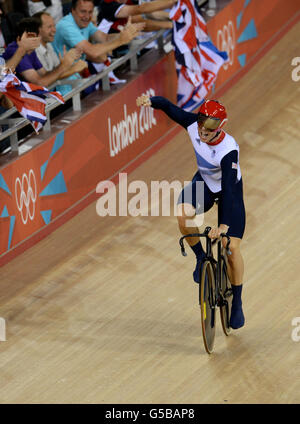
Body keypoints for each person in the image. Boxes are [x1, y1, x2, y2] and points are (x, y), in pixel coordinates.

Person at [136, 94, 246, 330]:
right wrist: (150, 101)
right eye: (202, 125)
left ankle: (236, 302)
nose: (204, 132)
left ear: (220, 127)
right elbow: (168, 106)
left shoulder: (228, 150)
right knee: (183, 214)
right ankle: (199, 257)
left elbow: (228, 188)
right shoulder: (194, 127)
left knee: (231, 248)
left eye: (210, 128)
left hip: (229, 191)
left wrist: (223, 226)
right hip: (205, 183)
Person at [52, 0, 144, 65]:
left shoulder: (85, 22)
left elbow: (105, 38)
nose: (87, 16)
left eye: (90, 12)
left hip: (77, 76)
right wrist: (120, 40)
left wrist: (125, 34)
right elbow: (93, 52)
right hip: (63, 85)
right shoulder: (66, 26)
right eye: (83, 12)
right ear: (73, 10)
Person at [2, 17, 83, 89]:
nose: (35, 40)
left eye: (35, 36)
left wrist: (67, 66)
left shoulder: (31, 50)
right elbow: (39, 83)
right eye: (29, 37)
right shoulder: (15, 50)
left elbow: (45, 75)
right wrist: (65, 66)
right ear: (19, 39)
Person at [34, 11, 87, 94]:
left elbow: (58, 71)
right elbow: (47, 78)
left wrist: (69, 64)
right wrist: (73, 68)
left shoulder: (49, 45)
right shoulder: (34, 51)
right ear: (38, 30)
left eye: (54, 26)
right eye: (49, 27)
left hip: (56, 93)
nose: (54, 30)